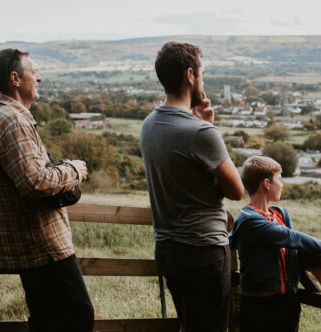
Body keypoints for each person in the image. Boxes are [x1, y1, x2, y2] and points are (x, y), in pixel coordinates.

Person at [0, 48, 93, 331]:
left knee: (47, 321)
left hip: (27, 242)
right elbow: (35, 181)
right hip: (40, 243)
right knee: (78, 318)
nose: (39, 78)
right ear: (15, 79)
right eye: (33, 72)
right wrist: (75, 169)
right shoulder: (12, 121)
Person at [140, 42, 245, 332]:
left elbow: (183, 176)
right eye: (203, 73)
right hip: (203, 251)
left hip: (167, 248)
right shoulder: (201, 133)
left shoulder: (148, 125)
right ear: (190, 75)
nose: (203, 80)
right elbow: (236, 191)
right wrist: (208, 128)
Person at [229, 156, 321, 332]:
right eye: (279, 179)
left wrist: (310, 265)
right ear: (266, 183)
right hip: (258, 307)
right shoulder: (249, 220)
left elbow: (292, 248)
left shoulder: (280, 214)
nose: (282, 184)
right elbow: (293, 238)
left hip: (287, 303)